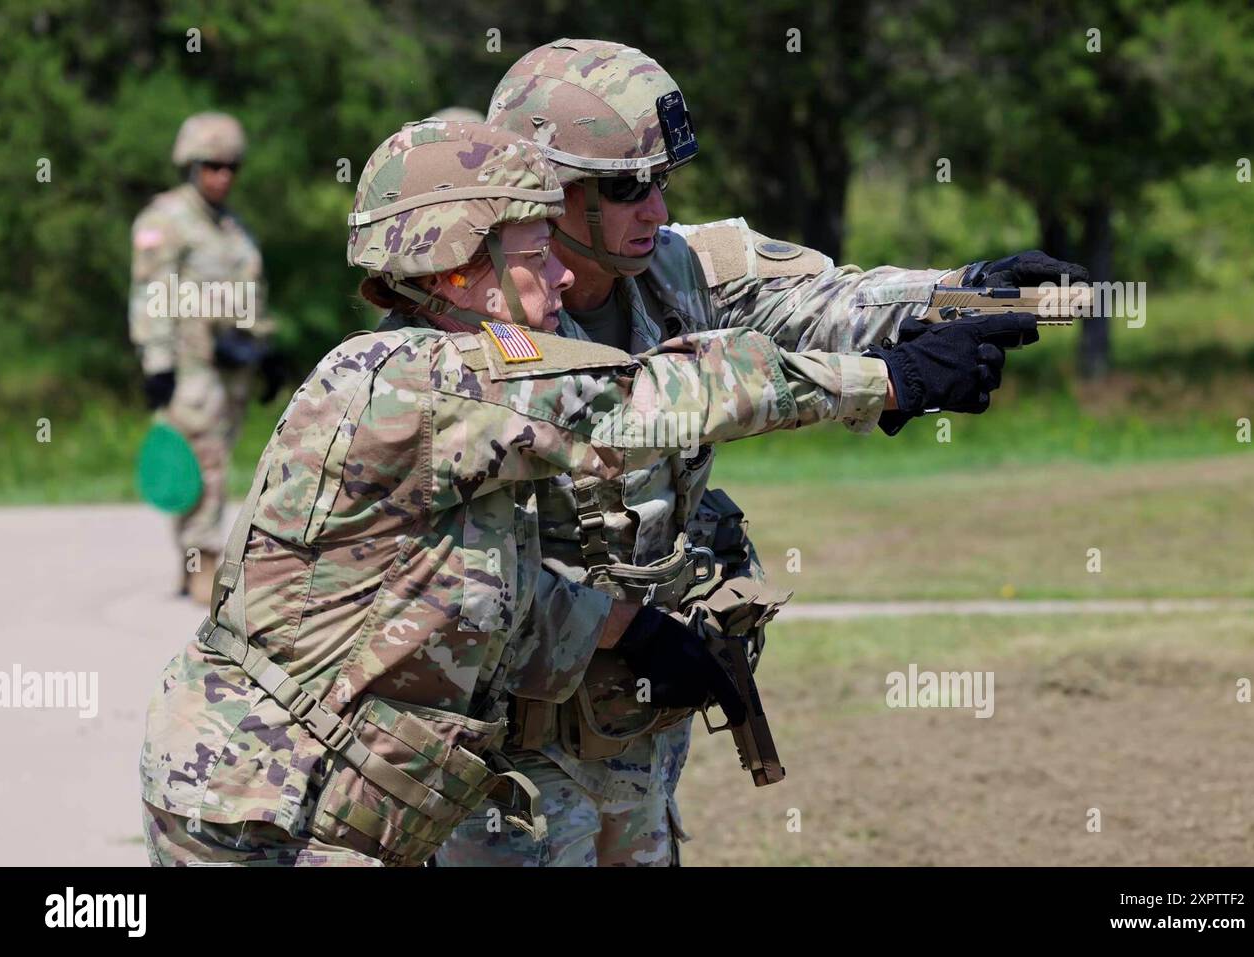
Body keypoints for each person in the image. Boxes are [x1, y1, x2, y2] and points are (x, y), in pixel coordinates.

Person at [137, 119, 1008, 866]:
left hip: (322, 800)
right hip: (260, 808)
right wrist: (886, 379)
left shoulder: (458, 392)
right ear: (454, 274)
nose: (561, 278)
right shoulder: (420, 377)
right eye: (532, 256)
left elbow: (468, 588)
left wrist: (632, 628)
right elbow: (639, 397)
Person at [435, 38, 1083, 867]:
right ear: (544, 190)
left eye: (663, 181)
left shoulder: (670, 269)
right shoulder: (465, 321)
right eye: (627, 187)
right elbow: (626, 410)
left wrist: (965, 291)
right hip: (505, 758)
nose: (657, 210)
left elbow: (821, 297)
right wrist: (886, 382)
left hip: (632, 729)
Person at [128, 112, 285, 603]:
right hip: (190, 365)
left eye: (231, 167)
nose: (223, 176)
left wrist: (267, 350)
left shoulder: (232, 227)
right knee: (204, 463)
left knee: (215, 460)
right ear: (191, 166)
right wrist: (157, 364)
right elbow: (150, 293)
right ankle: (203, 564)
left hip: (233, 364)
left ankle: (191, 561)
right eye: (212, 166)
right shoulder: (166, 220)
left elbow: (248, 295)